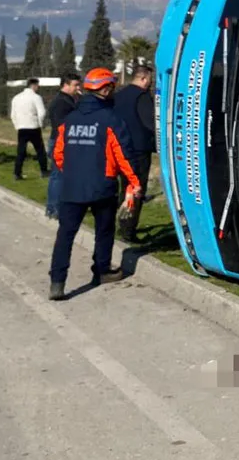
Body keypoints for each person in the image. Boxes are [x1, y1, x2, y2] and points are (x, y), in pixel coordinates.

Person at [47, 68, 141, 301]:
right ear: (106, 89)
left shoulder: (70, 119)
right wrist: (134, 183)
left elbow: (58, 154)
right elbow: (124, 155)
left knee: (65, 235)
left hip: (72, 187)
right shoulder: (111, 119)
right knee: (104, 231)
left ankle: (57, 282)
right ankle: (101, 270)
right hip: (102, 186)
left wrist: (72, 171)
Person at [113, 64, 156, 242]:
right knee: (136, 189)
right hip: (139, 149)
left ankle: (120, 222)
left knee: (124, 186)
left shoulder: (119, 95)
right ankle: (128, 229)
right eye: (150, 79)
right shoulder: (142, 97)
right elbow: (150, 122)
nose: (151, 83)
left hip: (120, 147)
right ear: (143, 78)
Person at [45, 73, 82, 219]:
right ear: (65, 85)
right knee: (58, 176)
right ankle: (55, 208)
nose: (78, 88)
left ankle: (56, 207)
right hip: (60, 142)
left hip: (62, 141)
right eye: (75, 85)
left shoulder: (69, 100)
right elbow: (61, 124)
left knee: (60, 176)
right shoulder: (61, 102)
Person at [10, 77, 49, 180]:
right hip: (33, 126)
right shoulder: (36, 97)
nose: (38, 87)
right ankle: (44, 171)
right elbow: (42, 112)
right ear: (34, 85)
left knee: (21, 151)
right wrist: (41, 124)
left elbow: (13, 114)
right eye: (37, 85)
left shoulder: (16, 97)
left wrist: (17, 125)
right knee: (40, 150)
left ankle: (17, 173)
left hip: (22, 127)